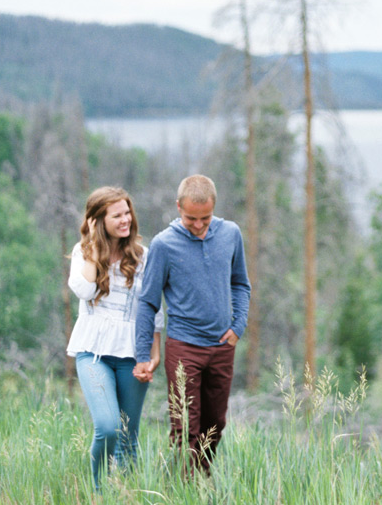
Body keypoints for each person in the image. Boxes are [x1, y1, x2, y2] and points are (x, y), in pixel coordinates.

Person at [134, 174, 250, 473]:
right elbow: (148, 301)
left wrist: (238, 326)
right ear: (178, 207)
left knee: (216, 424)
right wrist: (142, 356)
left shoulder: (230, 234)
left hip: (222, 346)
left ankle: (201, 480)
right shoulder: (164, 244)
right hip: (184, 347)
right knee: (185, 426)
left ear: (214, 208)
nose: (198, 225)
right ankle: (180, 492)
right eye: (190, 218)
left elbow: (240, 283)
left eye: (205, 218)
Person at [67, 186, 164, 488]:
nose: (126, 219)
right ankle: (98, 494)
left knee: (127, 436)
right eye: (116, 215)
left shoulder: (144, 256)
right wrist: (95, 250)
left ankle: (129, 502)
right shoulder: (82, 253)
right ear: (98, 220)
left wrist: (154, 353)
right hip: (92, 351)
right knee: (108, 428)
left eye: (127, 212)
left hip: (132, 352)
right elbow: (84, 291)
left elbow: (153, 308)